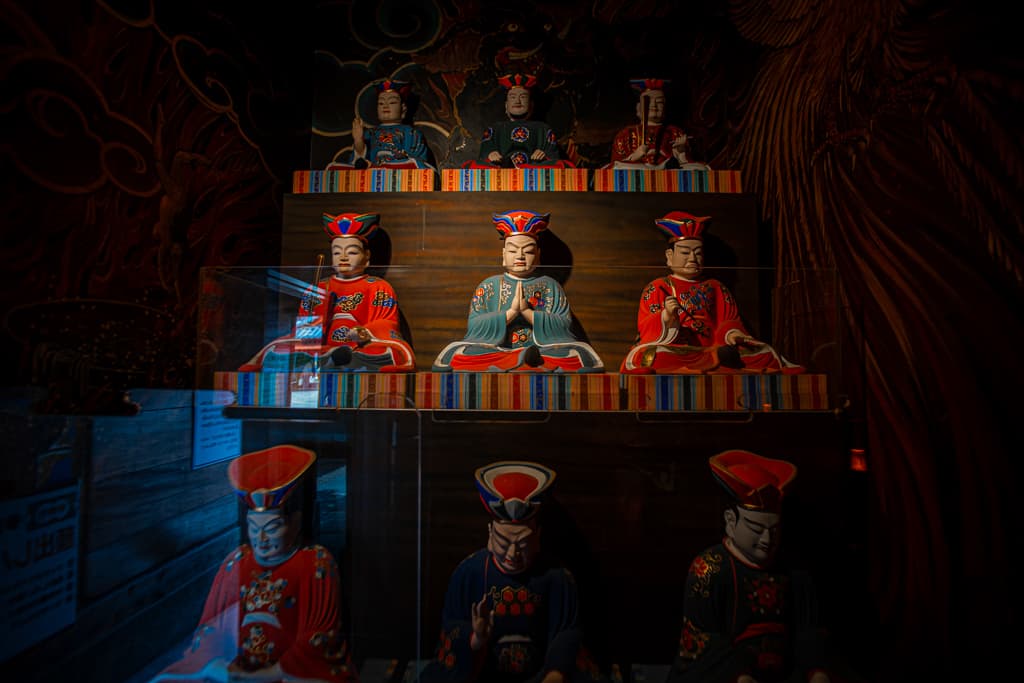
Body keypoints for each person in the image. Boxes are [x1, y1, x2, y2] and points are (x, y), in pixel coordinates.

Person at [150, 445, 357, 682]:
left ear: (296, 522)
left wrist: (271, 674)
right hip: (237, 668)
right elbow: (211, 628)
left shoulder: (314, 562)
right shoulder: (237, 561)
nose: (262, 539)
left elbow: (318, 637)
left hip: (287, 674)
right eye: (254, 529)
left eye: (272, 528)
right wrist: (217, 665)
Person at [420, 461, 602, 683]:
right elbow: (451, 627)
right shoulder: (469, 573)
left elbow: (567, 633)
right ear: (490, 533)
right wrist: (475, 637)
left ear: (538, 536)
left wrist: (555, 674)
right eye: (503, 542)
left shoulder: (556, 576)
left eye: (523, 544)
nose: (512, 554)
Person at [665, 450, 831, 683]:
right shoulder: (709, 568)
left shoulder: (795, 569)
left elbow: (809, 630)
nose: (766, 539)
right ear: (730, 522)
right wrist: (738, 675)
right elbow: (701, 639)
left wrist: (817, 670)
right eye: (756, 529)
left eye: (774, 530)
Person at [619, 211, 803, 374]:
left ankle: (718, 360)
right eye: (685, 253)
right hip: (679, 350)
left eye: (698, 253)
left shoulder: (715, 286)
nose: (692, 258)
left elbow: (728, 320)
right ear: (669, 257)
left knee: (765, 352)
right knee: (651, 355)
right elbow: (645, 328)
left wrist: (732, 334)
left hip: (714, 348)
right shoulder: (658, 287)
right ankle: (717, 362)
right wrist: (666, 316)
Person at [239, 212, 416, 373]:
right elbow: (305, 331)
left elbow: (386, 324)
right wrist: (308, 331)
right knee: (278, 349)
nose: (344, 257)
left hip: (360, 347)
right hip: (321, 350)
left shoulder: (378, 286)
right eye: (337, 252)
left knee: (385, 352)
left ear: (367, 257)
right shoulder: (318, 289)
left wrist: (364, 332)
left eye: (352, 252)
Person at [431, 210, 603, 373]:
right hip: (497, 350)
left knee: (575, 353)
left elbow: (564, 325)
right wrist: (511, 313)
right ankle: (523, 361)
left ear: (538, 255)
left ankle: (524, 360)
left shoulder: (551, 286)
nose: (520, 256)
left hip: (543, 351)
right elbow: (474, 326)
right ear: (504, 254)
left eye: (528, 251)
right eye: (513, 250)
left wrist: (528, 313)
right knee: (462, 352)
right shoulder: (489, 285)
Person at [466, 74, 574, 169]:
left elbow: (553, 154)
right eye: (512, 97)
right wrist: (490, 155)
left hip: (533, 168)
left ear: (531, 105)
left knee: (563, 166)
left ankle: (525, 171)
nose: (517, 101)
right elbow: (485, 153)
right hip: (503, 168)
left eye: (523, 97)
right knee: (470, 166)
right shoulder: (495, 129)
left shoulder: (542, 128)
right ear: (506, 105)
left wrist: (544, 155)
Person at [328, 79, 433, 170]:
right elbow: (359, 163)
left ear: (403, 109)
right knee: (336, 168)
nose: (385, 106)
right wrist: (358, 141)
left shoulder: (410, 132)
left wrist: (398, 159)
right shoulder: (370, 133)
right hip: (372, 174)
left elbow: (418, 161)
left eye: (392, 102)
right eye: (381, 103)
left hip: (398, 172)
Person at [608, 79, 705, 171]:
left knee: (701, 168)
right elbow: (615, 165)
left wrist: (681, 153)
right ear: (638, 108)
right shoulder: (626, 134)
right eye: (648, 102)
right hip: (640, 168)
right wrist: (634, 156)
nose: (653, 105)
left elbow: (685, 163)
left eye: (659, 102)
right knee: (619, 168)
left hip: (668, 170)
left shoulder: (674, 132)